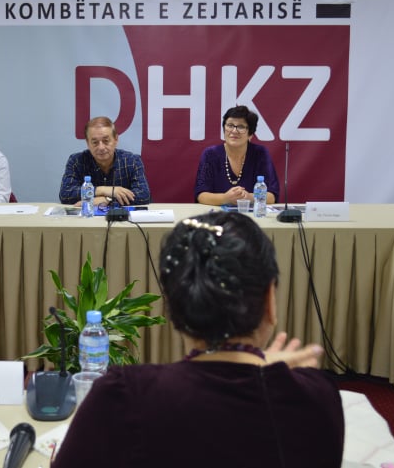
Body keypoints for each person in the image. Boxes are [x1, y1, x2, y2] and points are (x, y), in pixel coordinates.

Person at [52, 212, 344, 467]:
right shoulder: (317, 396)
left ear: (172, 304)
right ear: (270, 300)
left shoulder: (123, 395)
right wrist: (262, 370)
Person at [194, 105, 280, 206]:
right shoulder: (210, 154)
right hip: (217, 214)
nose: (234, 131)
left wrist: (248, 197)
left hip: (251, 214)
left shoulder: (260, 153)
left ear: (250, 134)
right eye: (230, 125)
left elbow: (272, 196)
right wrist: (226, 198)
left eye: (241, 127)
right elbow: (201, 195)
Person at [59, 116, 150, 206]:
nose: (101, 147)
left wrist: (107, 200)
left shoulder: (132, 161)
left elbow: (143, 196)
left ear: (116, 140)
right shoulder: (76, 161)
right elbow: (65, 194)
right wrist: (103, 190)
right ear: (88, 143)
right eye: (95, 142)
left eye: (106, 141)